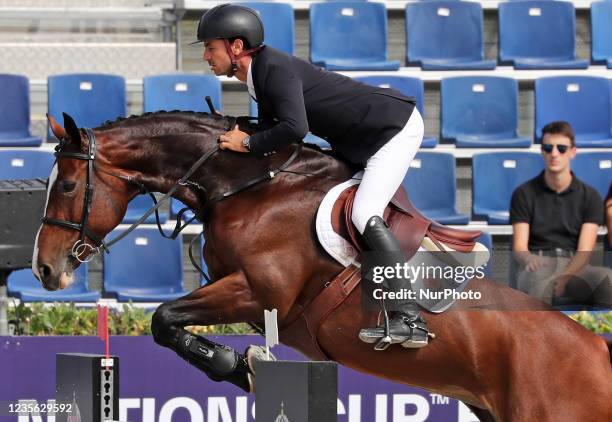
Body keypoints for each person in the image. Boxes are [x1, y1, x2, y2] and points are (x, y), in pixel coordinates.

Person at [193, 4, 429, 348]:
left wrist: (246, 142)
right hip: (358, 139)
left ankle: (410, 318)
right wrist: (240, 128)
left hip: (392, 131)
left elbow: (295, 128)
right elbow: (277, 129)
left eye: (210, 47)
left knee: (364, 213)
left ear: (237, 47)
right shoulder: (260, 75)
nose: (205, 56)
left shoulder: (273, 69)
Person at [510, 121, 611, 306]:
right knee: (539, 280)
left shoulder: (590, 196)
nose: (554, 154)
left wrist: (565, 276)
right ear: (542, 152)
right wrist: (530, 259)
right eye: (548, 148)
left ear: (573, 152)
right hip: (539, 264)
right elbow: (519, 247)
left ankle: (601, 335)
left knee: (608, 281)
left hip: (576, 266)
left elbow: (584, 252)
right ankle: (537, 336)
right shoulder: (523, 193)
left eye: (561, 148)